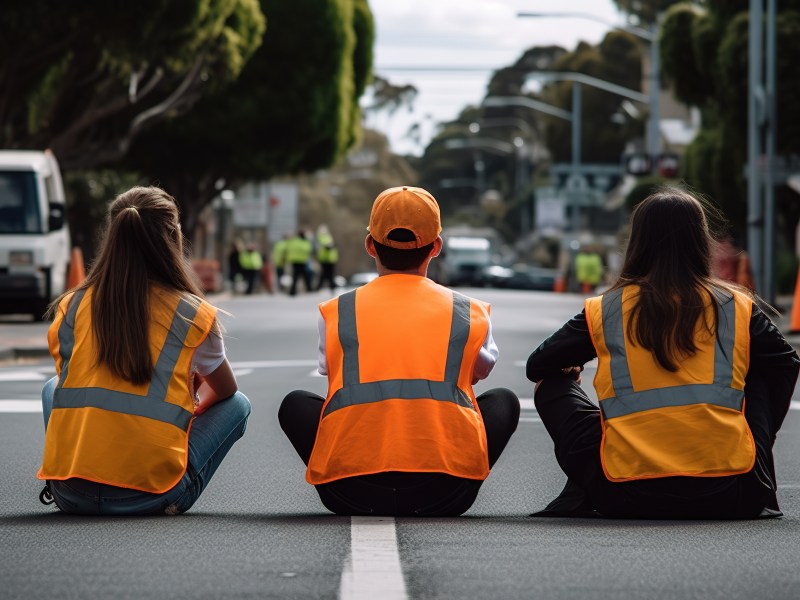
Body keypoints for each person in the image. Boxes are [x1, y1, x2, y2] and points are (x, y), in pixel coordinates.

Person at [527, 188, 799, 519]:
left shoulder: (607, 308)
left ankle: (583, 488)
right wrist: (758, 439)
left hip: (624, 493)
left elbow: (538, 365)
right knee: (764, 367)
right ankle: (750, 464)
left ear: (637, 241)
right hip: (732, 494)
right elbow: (786, 364)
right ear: (700, 240)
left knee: (550, 383)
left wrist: (575, 363)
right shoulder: (736, 307)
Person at [279, 186, 520, 516]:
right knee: (503, 400)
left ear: (369, 246)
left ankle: (343, 471)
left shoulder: (338, 311)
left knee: (295, 403)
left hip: (349, 492)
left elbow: (330, 372)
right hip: (446, 493)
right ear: (436, 247)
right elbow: (478, 372)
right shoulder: (468, 311)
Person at [37, 186, 251, 515]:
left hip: (71, 495)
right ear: (174, 238)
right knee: (238, 404)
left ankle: (68, 474)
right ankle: (175, 492)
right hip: (148, 496)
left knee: (54, 388)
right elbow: (225, 390)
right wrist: (189, 408)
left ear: (113, 237)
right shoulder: (191, 313)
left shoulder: (72, 305)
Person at [286, 230, 313, 296]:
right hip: (301, 261)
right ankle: (309, 289)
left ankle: (292, 291)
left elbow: (288, 249)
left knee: (296, 276)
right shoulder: (304, 242)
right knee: (304, 275)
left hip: (294, 261)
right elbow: (308, 249)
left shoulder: (293, 241)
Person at [315, 224, 339, 292]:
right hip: (326, 258)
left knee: (327, 274)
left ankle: (330, 287)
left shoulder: (327, 236)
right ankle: (331, 287)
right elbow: (325, 245)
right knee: (326, 274)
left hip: (330, 258)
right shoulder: (321, 237)